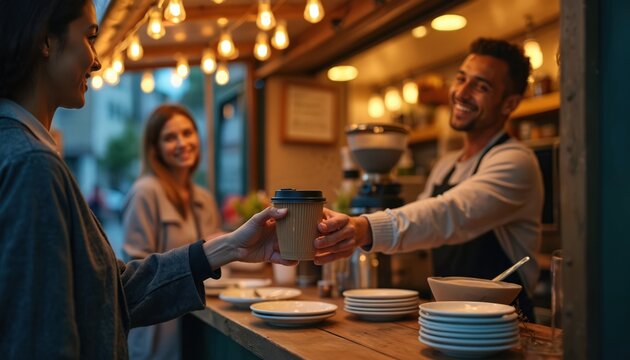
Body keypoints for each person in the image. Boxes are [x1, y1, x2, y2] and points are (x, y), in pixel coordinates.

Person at [0, 1, 295, 358]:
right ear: (45, 41)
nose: (97, 60)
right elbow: (40, 342)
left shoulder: (27, 154)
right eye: (89, 38)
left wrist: (232, 247)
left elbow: (113, 292)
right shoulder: (32, 163)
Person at [315, 38, 544, 320]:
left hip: (504, 323)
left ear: (509, 103)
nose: (462, 92)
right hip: (448, 319)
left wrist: (363, 228)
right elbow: (421, 227)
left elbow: (449, 214)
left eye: (481, 86)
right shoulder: (446, 165)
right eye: (461, 79)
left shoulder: (515, 160)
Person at [122, 104, 224, 360]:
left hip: (201, 319)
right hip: (160, 330)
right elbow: (136, 272)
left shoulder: (204, 197)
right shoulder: (145, 192)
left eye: (188, 133)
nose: (182, 143)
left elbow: (217, 254)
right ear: (154, 148)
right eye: (170, 137)